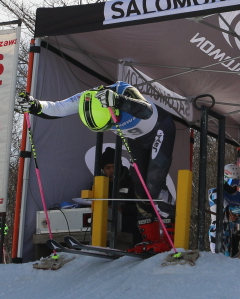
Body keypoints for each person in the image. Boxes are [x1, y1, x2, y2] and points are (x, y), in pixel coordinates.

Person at [18, 82, 176, 254]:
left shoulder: (123, 90)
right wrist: (34, 105)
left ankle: (170, 237)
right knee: (139, 185)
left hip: (159, 130)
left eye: (109, 124)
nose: (110, 128)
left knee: (153, 183)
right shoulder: (87, 98)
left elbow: (146, 110)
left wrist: (119, 100)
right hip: (136, 139)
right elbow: (58, 108)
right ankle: (150, 237)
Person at [208, 163, 240, 256]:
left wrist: (237, 218)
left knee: (232, 259)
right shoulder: (215, 192)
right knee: (220, 259)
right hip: (218, 231)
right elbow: (225, 208)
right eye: (232, 181)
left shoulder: (239, 196)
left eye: (237, 182)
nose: (234, 185)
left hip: (232, 233)